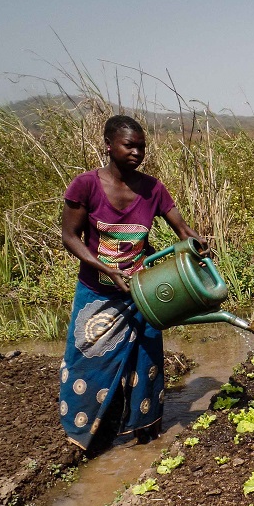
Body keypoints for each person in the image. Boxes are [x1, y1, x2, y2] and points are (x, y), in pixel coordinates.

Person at [58, 115, 206, 449]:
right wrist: (105, 268)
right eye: (130, 145)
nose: (137, 152)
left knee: (147, 362)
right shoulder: (86, 185)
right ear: (108, 145)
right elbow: (69, 237)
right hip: (98, 291)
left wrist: (196, 242)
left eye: (141, 146)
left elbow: (182, 230)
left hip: (143, 291)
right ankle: (82, 434)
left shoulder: (153, 189)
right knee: (87, 359)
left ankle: (144, 434)